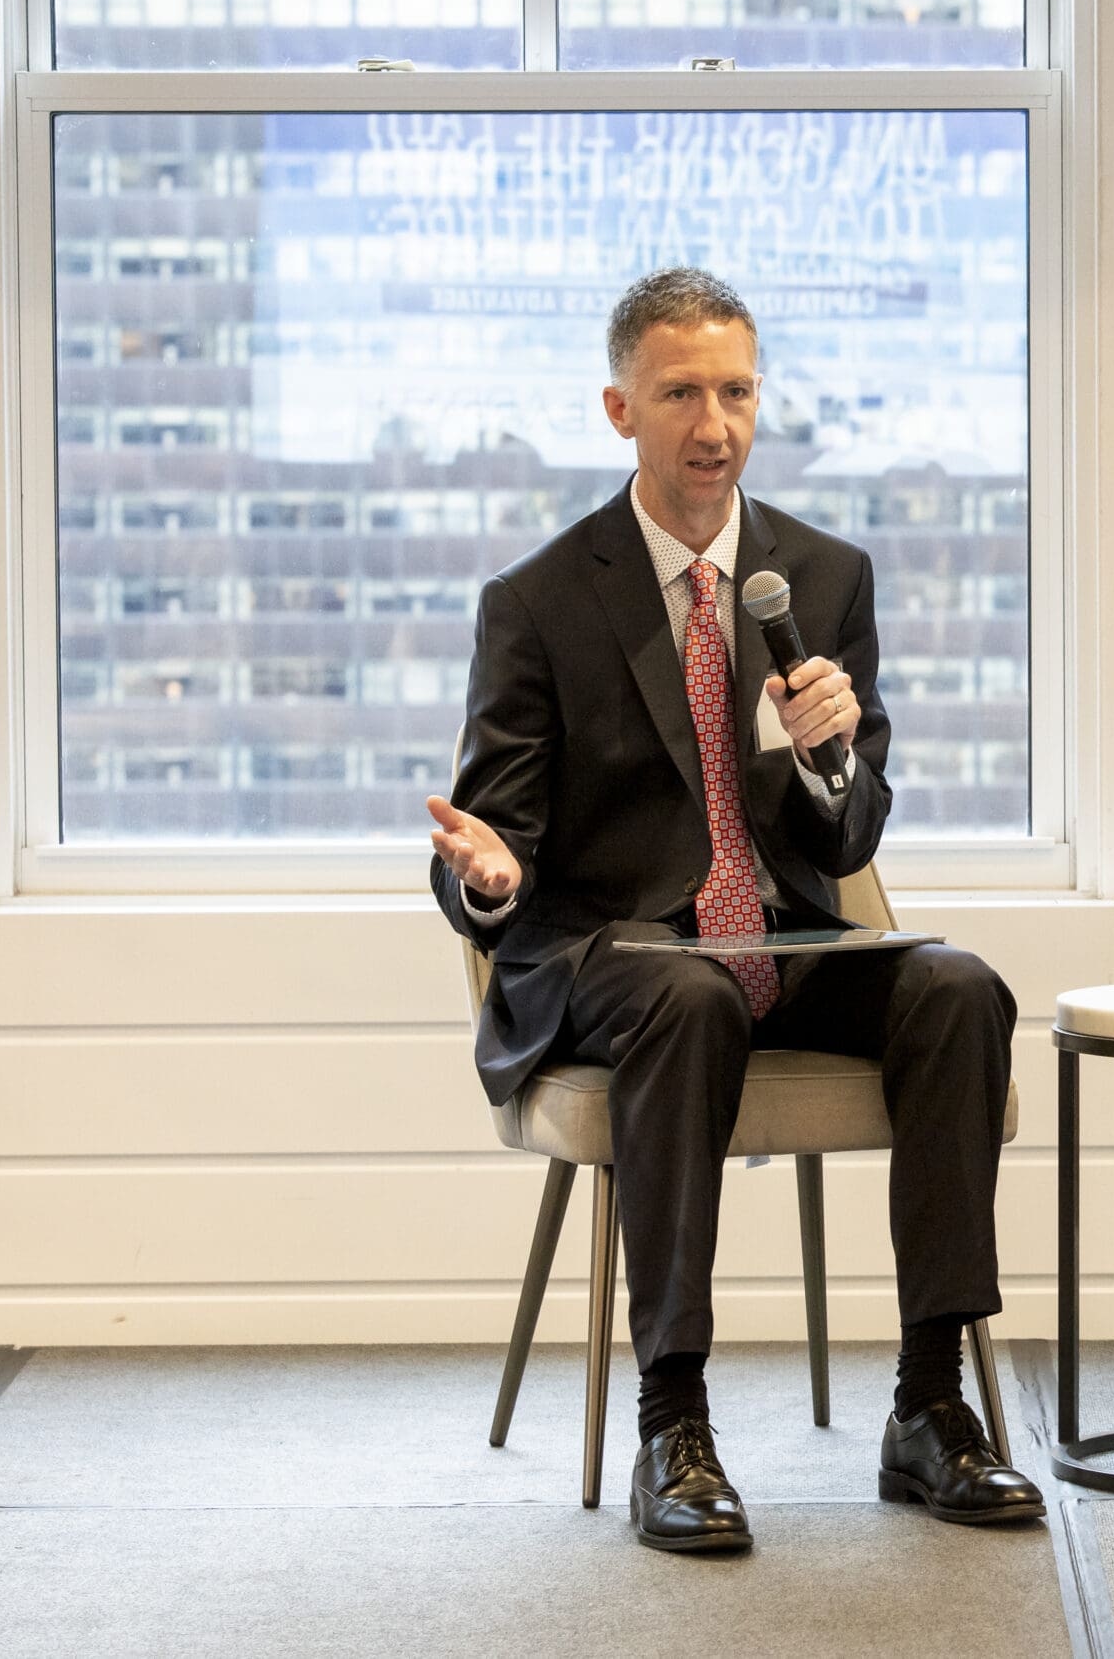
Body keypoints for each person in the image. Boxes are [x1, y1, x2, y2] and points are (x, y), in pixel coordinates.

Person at [426, 267, 1042, 1552]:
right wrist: (486, 880)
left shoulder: (820, 575)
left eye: (737, 392)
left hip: (785, 938)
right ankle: (673, 1425)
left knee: (958, 987)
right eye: (680, 395)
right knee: (687, 991)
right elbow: (495, 838)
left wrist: (832, 762)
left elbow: (848, 837)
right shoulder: (539, 601)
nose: (714, 426)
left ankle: (930, 1405)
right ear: (619, 409)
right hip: (617, 956)